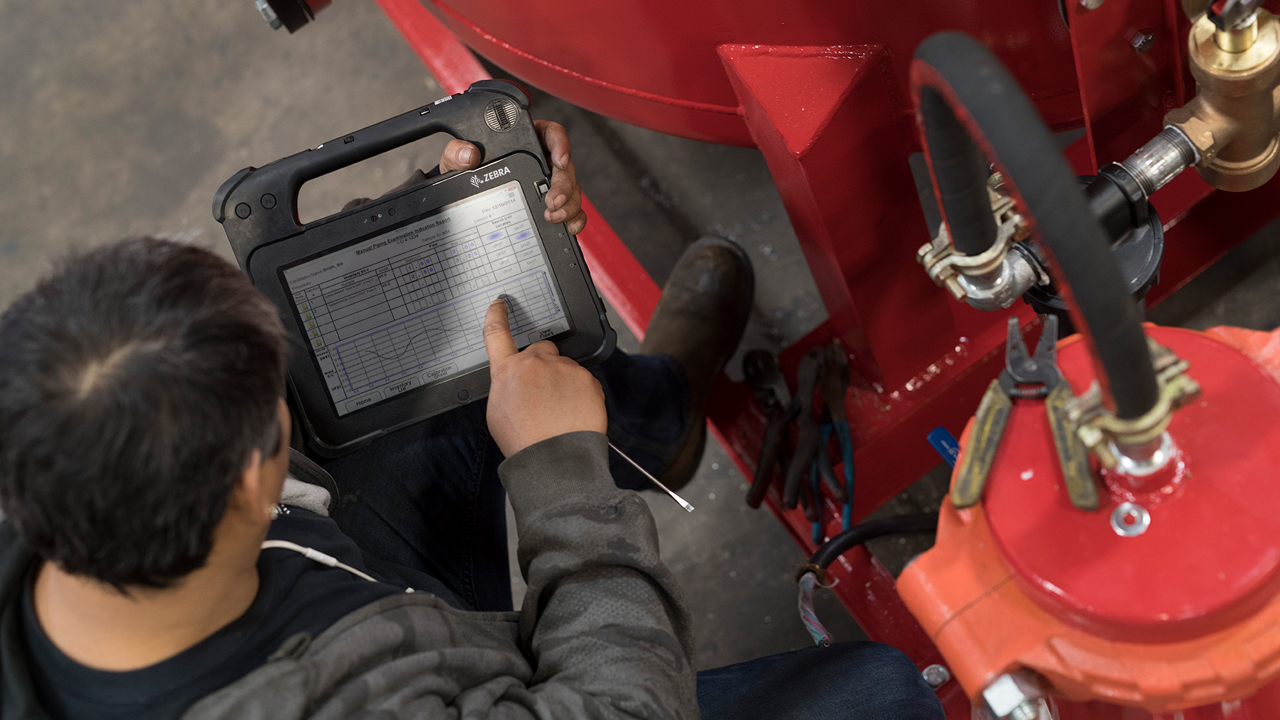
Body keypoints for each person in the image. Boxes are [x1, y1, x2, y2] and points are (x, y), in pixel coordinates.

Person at [0, 124, 945, 720]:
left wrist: (452, 216)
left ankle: (661, 421)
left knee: (446, 361)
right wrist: (561, 475)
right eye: (275, 394)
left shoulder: (56, 480)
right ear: (252, 478)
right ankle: (612, 437)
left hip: (354, 582)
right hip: (476, 676)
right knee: (877, 692)